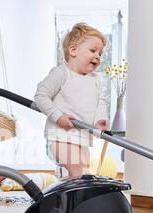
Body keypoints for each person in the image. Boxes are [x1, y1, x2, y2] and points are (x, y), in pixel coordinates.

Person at [34, 23, 108, 178]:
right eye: (93, 50)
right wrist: (58, 116)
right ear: (73, 50)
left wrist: (100, 121)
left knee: (81, 175)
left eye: (100, 53)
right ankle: (85, 199)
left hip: (83, 138)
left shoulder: (97, 79)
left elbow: (100, 102)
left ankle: (68, 201)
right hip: (61, 136)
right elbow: (41, 95)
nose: (98, 56)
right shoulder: (61, 73)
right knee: (80, 174)